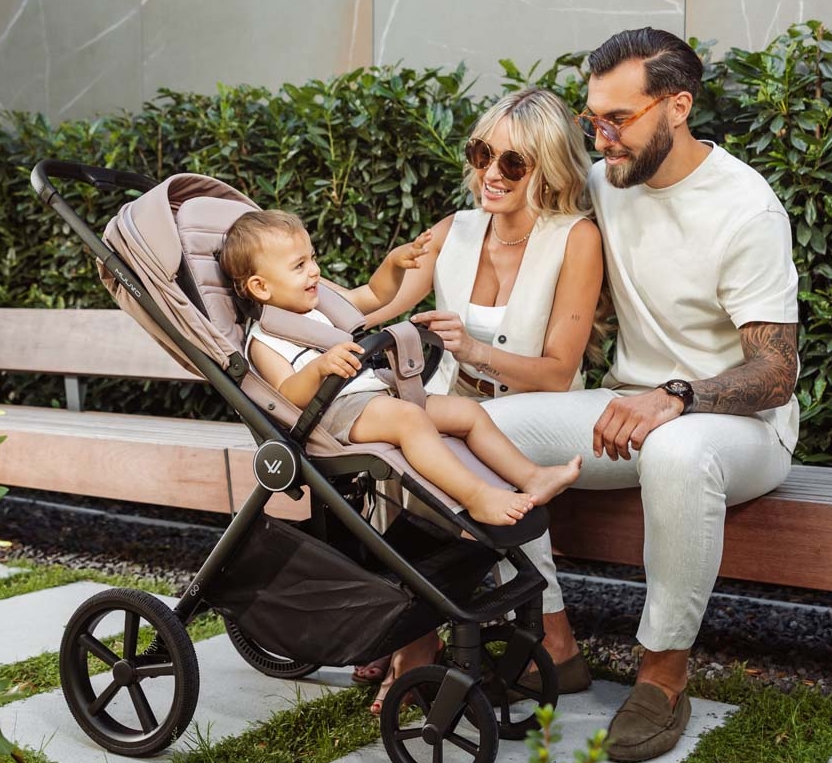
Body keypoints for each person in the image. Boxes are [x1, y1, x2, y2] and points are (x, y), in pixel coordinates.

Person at [482, 27, 800, 762]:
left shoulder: (745, 208)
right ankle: (552, 643)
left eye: (618, 119)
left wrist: (676, 396)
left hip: (740, 426)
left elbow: (775, 372)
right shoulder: (607, 181)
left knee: (679, 452)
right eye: (592, 119)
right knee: (481, 428)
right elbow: (500, 214)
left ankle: (662, 676)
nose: (602, 138)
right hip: (628, 408)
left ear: (678, 107)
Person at [361, 87, 604, 703]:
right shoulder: (454, 230)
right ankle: (417, 632)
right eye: (481, 154)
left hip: (539, 410)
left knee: (461, 448)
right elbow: (375, 307)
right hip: (455, 411)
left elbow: (557, 372)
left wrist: (472, 350)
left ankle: (423, 639)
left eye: (513, 162)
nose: (491, 173)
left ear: (549, 168)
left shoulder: (575, 239)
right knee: (405, 442)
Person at [218, 208, 582, 530]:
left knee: (466, 412)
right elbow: (286, 393)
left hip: (374, 394)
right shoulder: (264, 339)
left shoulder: (318, 306)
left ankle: (531, 476)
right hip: (332, 414)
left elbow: (374, 295)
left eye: (312, 258)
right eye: (299, 266)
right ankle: (477, 497)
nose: (314, 270)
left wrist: (393, 264)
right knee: (410, 420)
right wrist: (318, 369)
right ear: (260, 287)